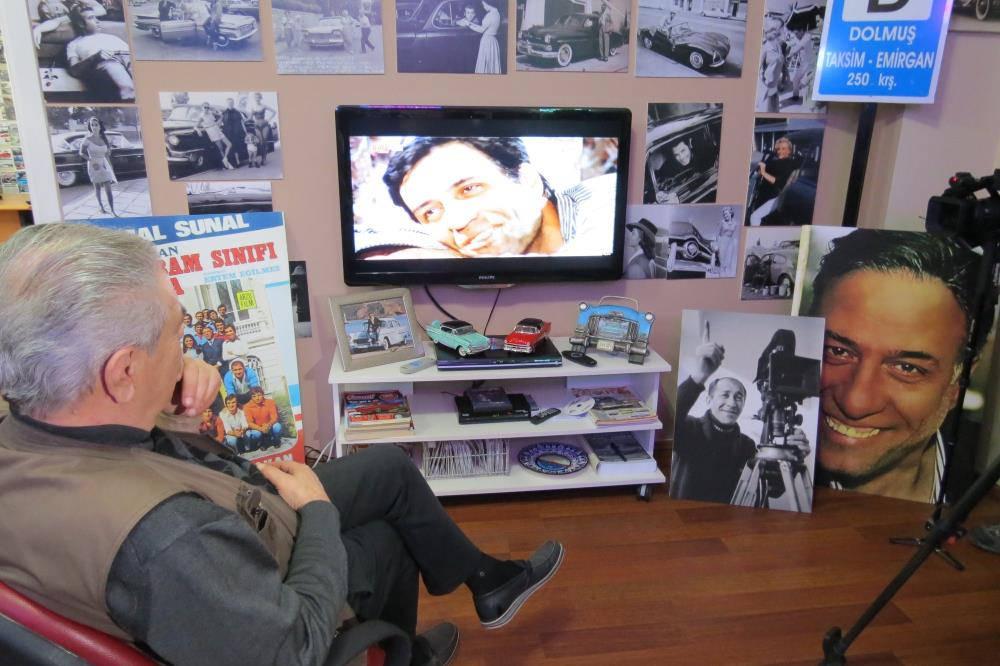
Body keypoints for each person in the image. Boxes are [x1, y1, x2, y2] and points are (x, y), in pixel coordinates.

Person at [0, 223, 565, 666]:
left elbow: (147, 448)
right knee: (387, 539)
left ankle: (488, 580)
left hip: (237, 515)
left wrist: (173, 379)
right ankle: (406, 655)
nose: (188, 345)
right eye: (177, 333)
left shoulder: (36, 425)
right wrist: (318, 513)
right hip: (258, 568)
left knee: (388, 468)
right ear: (123, 372)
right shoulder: (167, 540)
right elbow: (295, 648)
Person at [806, 230, 988, 503]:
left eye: (907, 368)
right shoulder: (751, 474)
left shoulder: (983, 498)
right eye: (837, 351)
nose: (855, 403)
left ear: (958, 383)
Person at [380, 137, 616, 258]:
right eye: (430, 212)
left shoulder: (607, 202)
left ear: (528, 181)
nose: (457, 222)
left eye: (470, 189)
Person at [671, 324, 810, 504]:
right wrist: (699, 376)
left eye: (738, 397)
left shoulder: (747, 446)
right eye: (725, 395)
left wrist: (795, 458)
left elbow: (773, 490)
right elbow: (670, 418)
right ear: (708, 399)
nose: (731, 403)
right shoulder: (689, 428)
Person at [61, 3, 135, 102]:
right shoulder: (74, 44)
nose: (97, 21)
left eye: (96, 17)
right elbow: (74, 70)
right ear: (80, 23)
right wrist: (95, 57)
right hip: (107, 62)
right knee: (124, 83)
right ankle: (129, 98)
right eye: (91, 18)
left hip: (127, 57)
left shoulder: (112, 37)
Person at [748, 136, 801, 226]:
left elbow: (779, 182)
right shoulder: (776, 161)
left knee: (754, 217)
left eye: (784, 149)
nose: (780, 151)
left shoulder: (789, 163)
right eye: (778, 149)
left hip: (778, 196)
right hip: (768, 195)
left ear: (789, 151)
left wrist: (764, 172)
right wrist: (762, 172)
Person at [77, 116, 120, 217]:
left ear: (100, 126)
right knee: (97, 188)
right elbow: (81, 153)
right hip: (93, 165)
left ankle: (113, 211)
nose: (94, 127)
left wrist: (110, 167)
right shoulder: (87, 139)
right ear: (90, 127)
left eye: (96, 125)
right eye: (92, 125)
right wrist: (91, 161)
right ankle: (101, 207)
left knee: (109, 190)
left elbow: (107, 154)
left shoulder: (104, 138)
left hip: (104, 164)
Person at [458, 0, 501, 74]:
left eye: (484, 4)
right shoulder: (496, 13)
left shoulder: (491, 15)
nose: (484, 6)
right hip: (492, 40)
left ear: (488, 3)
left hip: (487, 41)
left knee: (485, 65)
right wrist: (470, 23)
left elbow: (481, 30)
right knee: (490, 65)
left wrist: (468, 24)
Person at [195, 101, 234, 171]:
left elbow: (221, 115)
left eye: (208, 107)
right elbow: (195, 126)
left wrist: (219, 118)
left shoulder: (210, 112)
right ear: (202, 108)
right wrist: (198, 130)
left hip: (217, 129)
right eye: (205, 107)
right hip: (212, 132)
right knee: (221, 148)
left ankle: (225, 159)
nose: (206, 109)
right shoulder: (201, 116)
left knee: (229, 144)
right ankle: (227, 164)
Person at [758, 18, 784, 114]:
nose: (775, 32)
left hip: (774, 84)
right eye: (772, 30)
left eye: (776, 29)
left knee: (774, 110)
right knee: (764, 108)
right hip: (767, 85)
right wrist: (765, 82)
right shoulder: (765, 48)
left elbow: (781, 61)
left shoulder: (778, 46)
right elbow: (758, 68)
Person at [787, 26, 817, 109]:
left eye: (797, 33)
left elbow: (797, 48)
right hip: (804, 63)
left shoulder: (806, 37)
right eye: (795, 33)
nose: (796, 35)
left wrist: (789, 55)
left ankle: (809, 102)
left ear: (801, 31)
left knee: (806, 83)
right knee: (796, 80)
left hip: (810, 63)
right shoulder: (799, 37)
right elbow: (791, 43)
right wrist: (786, 45)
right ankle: (796, 96)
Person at [248, 92, 277, 166]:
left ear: (260, 98)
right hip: (256, 126)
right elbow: (250, 118)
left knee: (264, 141)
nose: (257, 99)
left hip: (265, 125)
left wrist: (269, 119)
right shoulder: (253, 107)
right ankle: (262, 157)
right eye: (256, 97)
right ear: (254, 99)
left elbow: (274, 112)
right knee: (260, 142)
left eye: (258, 97)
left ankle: (264, 159)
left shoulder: (264, 106)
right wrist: (245, 120)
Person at [220, 97, 247, 167]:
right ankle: (230, 163)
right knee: (229, 147)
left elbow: (242, 123)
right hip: (227, 132)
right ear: (227, 103)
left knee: (236, 146)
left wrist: (246, 132)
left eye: (232, 103)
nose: (230, 104)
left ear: (233, 103)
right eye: (229, 103)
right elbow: (220, 122)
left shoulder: (237, 112)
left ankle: (237, 162)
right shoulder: (224, 113)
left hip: (236, 132)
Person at [715, 206, 739, 278]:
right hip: (722, 241)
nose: (725, 215)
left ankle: (727, 278)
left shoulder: (735, 223)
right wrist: (717, 245)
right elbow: (717, 234)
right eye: (724, 214)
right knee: (722, 263)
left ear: (730, 213)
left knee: (728, 262)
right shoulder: (722, 222)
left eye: (726, 213)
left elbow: (734, 234)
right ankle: (721, 278)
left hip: (730, 243)